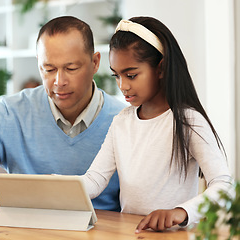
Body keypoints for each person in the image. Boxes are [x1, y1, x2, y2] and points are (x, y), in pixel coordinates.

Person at [0, 16, 127, 211]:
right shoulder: (10, 113)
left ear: (95, 63)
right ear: (39, 64)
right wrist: (21, 193)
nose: (59, 81)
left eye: (71, 68)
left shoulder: (125, 121)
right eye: (49, 69)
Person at [82, 16, 233, 232]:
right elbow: (95, 180)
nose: (122, 85)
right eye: (117, 75)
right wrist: (58, 188)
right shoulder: (121, 122)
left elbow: (224, 186)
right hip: (133, 233)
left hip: (175, 236)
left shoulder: (187, 121)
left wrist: (181, 212)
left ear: (160, 68)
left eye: (131, 75)